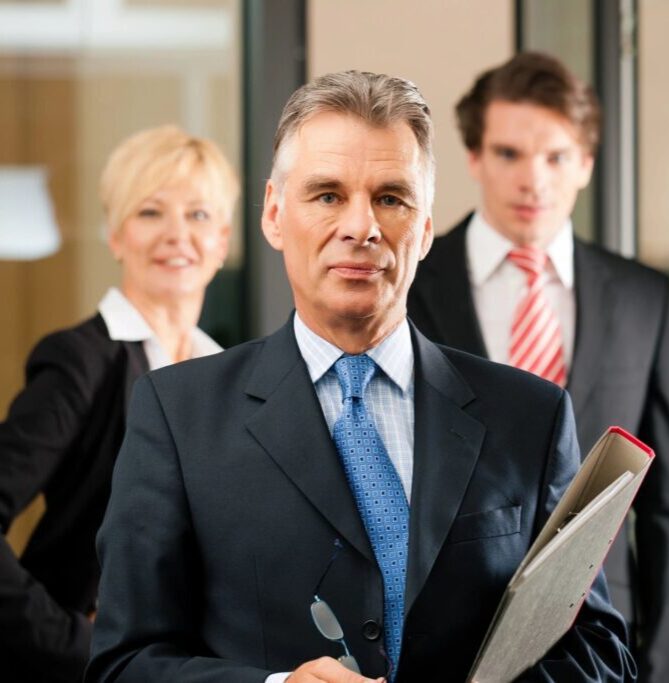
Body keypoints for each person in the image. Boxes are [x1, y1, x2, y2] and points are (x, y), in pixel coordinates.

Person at [86, 70, 635, 683]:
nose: (361, 227)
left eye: (391, 198)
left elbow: (598, 650)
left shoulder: (529, 417)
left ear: (424, 229)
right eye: (327, 195)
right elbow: (124, 664)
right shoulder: (177, 414)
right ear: (273, 214)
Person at [407, 51, 669, 682]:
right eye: (510, 154)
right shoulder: (410, 286)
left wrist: (667, 669)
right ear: (475, 158)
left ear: (587, 165)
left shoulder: (643, 297)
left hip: (602, 646)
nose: (532, 180)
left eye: (556, 157)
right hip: (439, 641)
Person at [0, 124, 237, 682]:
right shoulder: (78, 362)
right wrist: (74, 645)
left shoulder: (231, 376)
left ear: (223, 240)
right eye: (151, 212)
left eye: (199, 215)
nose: (177, 234)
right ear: (115, 234)